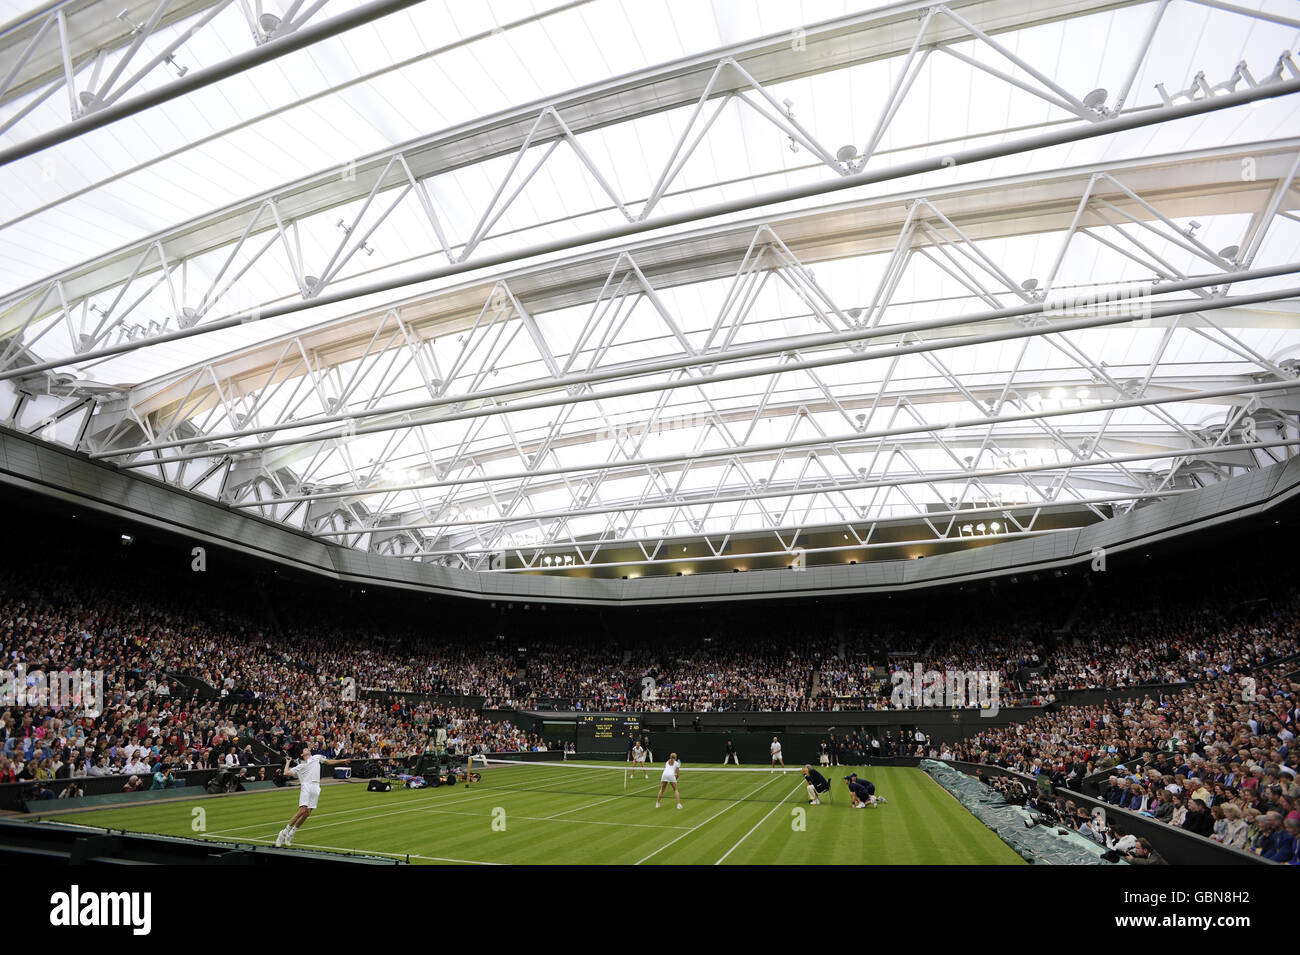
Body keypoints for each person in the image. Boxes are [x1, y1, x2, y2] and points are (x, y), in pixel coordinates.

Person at [275, 747, 350, 847]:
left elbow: (328, 762)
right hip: (306, 786)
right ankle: (283, 833)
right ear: (302, 755)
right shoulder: (300, 766)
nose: (307, 749)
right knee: (302, 810)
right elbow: (285, 773)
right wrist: (288, 762)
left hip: (316, 786)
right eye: (305, 749)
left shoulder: (316, 757)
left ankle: (291, 834)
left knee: (307, 813)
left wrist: (343, 760)